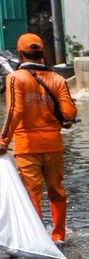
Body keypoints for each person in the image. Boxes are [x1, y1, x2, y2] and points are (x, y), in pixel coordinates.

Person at [0, 33, 77, 244]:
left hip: (27, 146)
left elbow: (14, 111)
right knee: (56, 190)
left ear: (20, 54)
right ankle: (59, 235)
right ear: (42, 53)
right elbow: (69, 113)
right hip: (53, 144)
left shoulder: (15, 78)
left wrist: (3, 140)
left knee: (32, 193)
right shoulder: (58, 79)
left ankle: (37, 237)